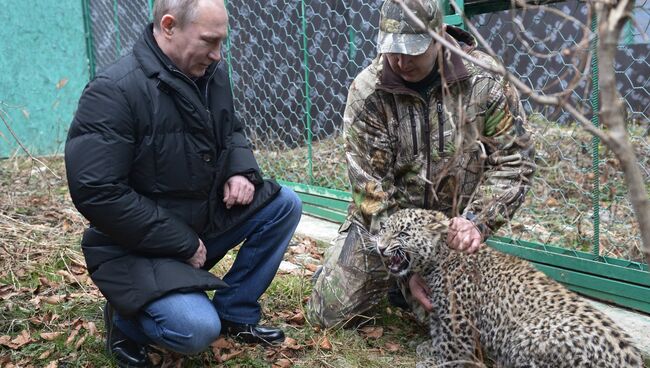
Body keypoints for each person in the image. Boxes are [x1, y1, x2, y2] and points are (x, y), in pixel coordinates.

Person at [65, 0, 302, 366]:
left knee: (284, 204)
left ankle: (235, 311)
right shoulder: (114, 91)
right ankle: (125, 320)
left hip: (199, 221)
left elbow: (231, 130)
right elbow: (97, 191)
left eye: (222, 42)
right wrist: (181, 242)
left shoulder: (209, 74)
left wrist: (240, 169)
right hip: (137, 247)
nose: (218, 54)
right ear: (170, 26)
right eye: (209, 41)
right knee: (193, 331)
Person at [306, 0, 536, 327]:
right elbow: (371, 191)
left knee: (470, 326)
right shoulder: (367, 92)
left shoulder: (484, 79)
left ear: (438, 36)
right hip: (388, 229)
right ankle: (373, 277)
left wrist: (476, 222)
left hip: (451, 231)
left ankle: (406, 289)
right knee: (324, 316)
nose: (400, 61)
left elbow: (516, 159)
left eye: (412, 49)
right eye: (391, 49)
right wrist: (405, 266)